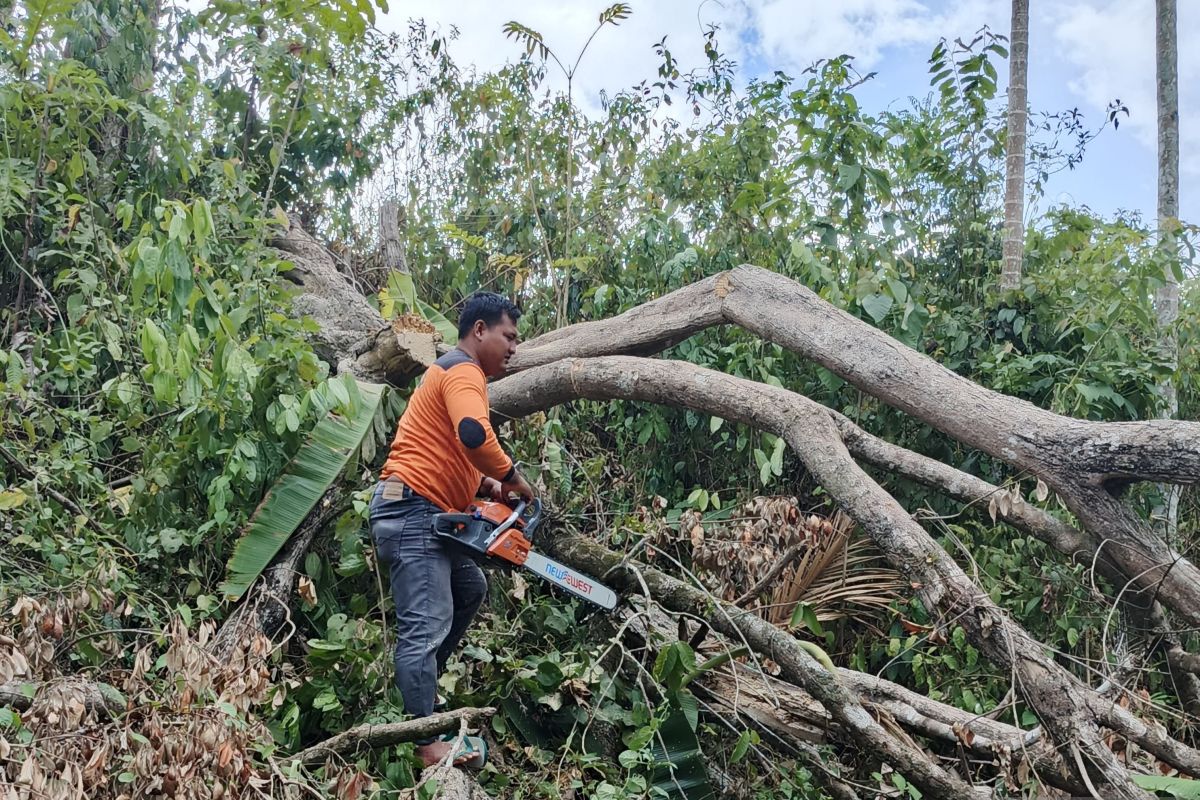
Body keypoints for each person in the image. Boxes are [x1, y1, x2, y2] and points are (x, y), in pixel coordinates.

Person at [368, 291, 535, 768]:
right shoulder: (463, 370)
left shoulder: (451, 374)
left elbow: (450, 449)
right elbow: (473, 435)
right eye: (508, 336)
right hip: (413, 511)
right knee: (427, 625)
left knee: (469, 589)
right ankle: (425, 744)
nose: (513, 347)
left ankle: (423, 703)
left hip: (428, 513)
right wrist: (512, 478)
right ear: (479, 330)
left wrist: (488, 486)